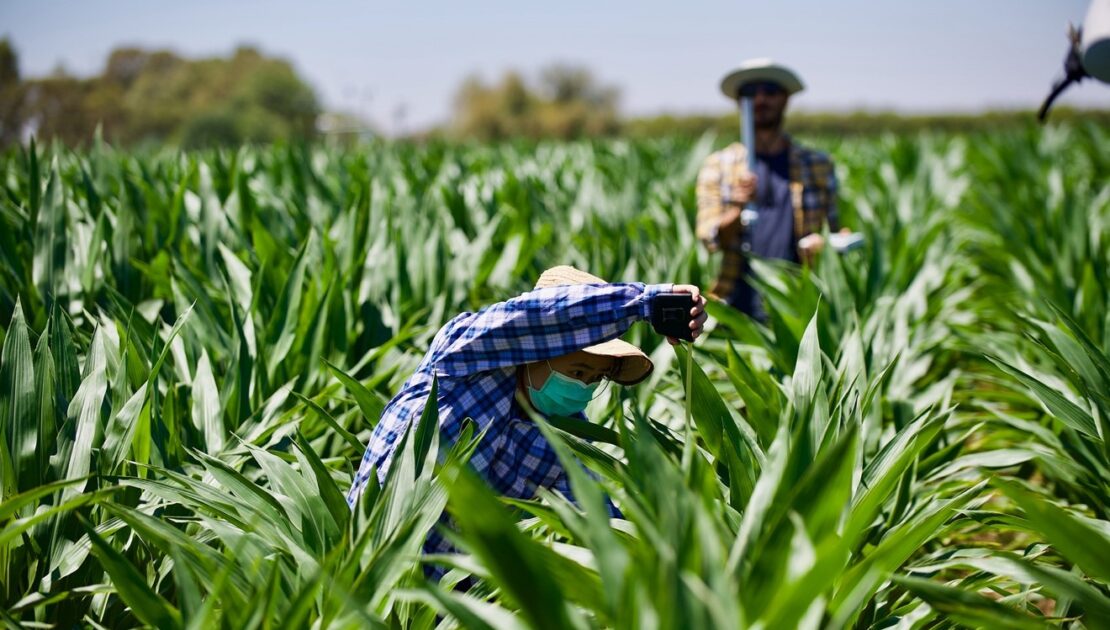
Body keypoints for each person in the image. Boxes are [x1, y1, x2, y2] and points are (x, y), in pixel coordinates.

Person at [346, 266, 707, 574]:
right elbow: (544, 319)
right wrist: (646, 303)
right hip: (367, 563)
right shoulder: (465, 356)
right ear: (538, 347)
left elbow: (597, 515)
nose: (581, 387)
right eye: (578, 369)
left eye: (594, 379)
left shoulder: (559, 432)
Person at [696, 58, 840, 321]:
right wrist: (737, 207)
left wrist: (827, 244)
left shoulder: (817, 165)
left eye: (770, 92)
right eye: (750, 93)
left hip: (800, 299)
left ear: (785, 99)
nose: (761, 99)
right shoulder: (719, 166)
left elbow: (835, 229)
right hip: (737, 301)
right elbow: (711, 239)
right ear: (740, 103)